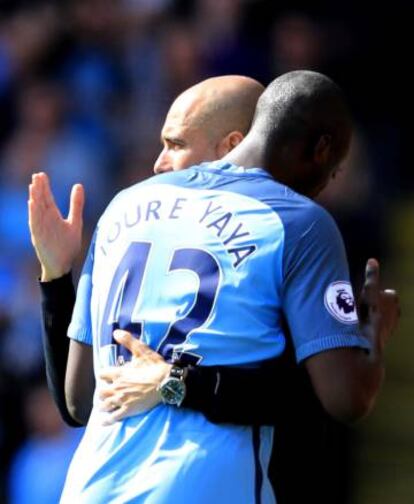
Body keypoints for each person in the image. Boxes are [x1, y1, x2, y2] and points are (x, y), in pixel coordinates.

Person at [29, 74, 398, 502]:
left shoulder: (123, 204)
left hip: (90, 486)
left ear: (235, 140)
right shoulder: (298, 221)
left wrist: (56, 280)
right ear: (321, 151)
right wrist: (372, 332)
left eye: (176, 144)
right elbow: (344, 399)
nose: (159, 163)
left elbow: (78, 403)